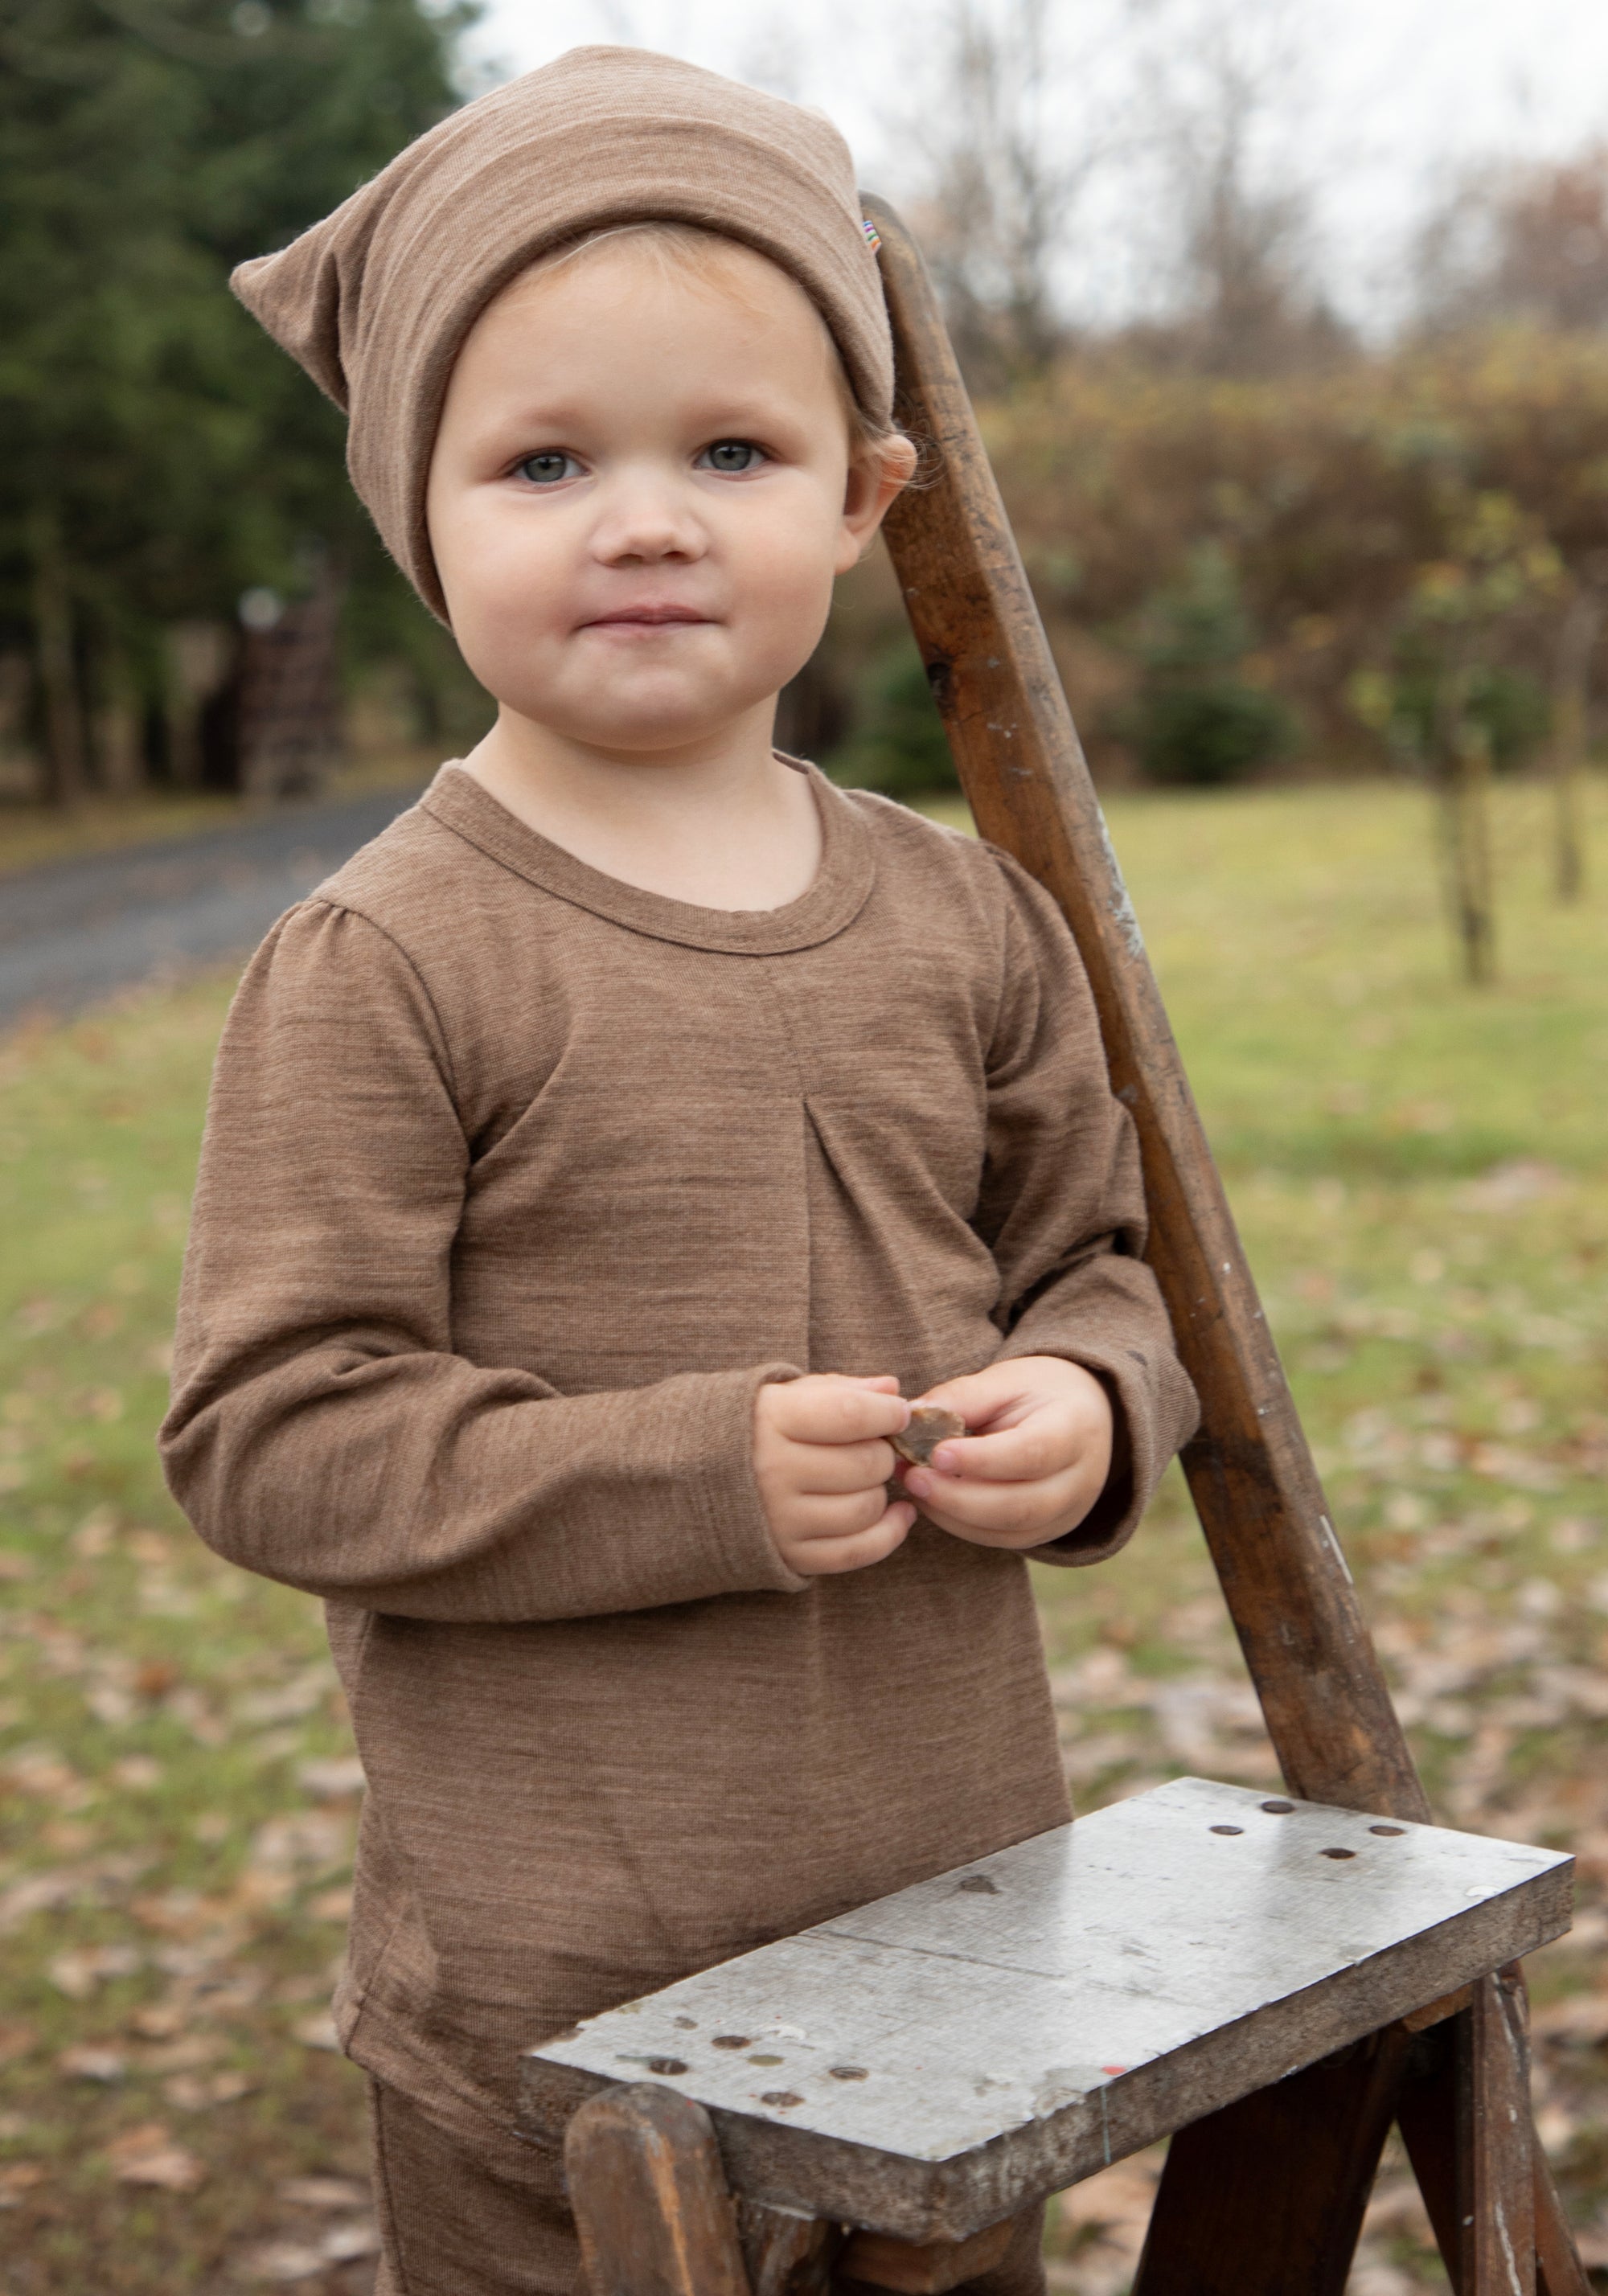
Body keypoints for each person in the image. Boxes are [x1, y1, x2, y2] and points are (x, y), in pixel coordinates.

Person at [159, 47, 1198, 2296]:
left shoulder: (967, 920)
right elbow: (271, 1435)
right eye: (544, 461)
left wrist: (1096, 1399)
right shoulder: (387, 959)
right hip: (572, 2021)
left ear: (865, 492)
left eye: (731, 451)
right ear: (415, 508)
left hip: (959, 1954)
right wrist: (688, 1471)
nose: (644, 521)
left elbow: (1100, 1267)